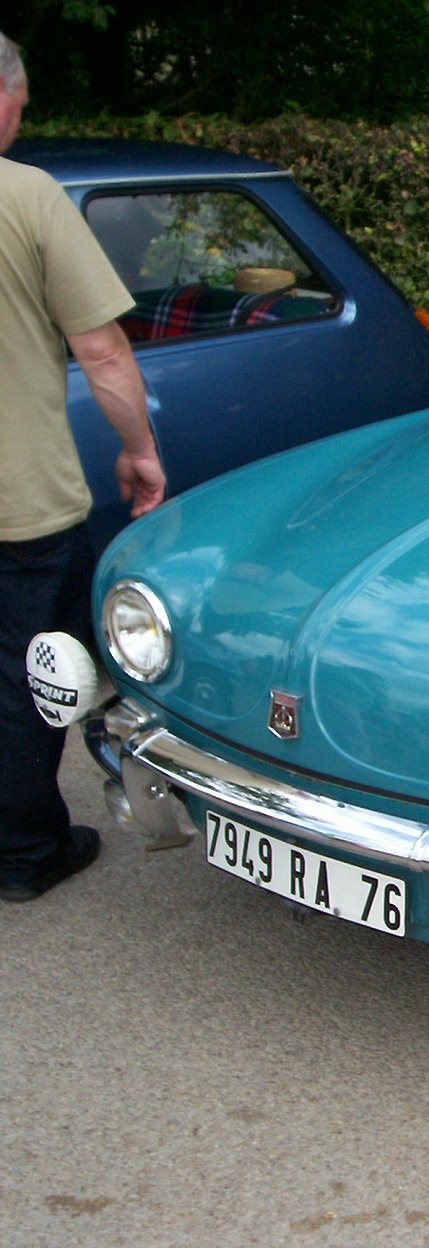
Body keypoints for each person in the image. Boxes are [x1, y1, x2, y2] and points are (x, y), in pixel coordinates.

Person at [0, 30, 166, 902]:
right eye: (21, 110)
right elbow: (102, 352)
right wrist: (139, 453)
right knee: (34, 672)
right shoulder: (25, 196)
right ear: (3, 95)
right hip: (17, 498)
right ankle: (25, 851)